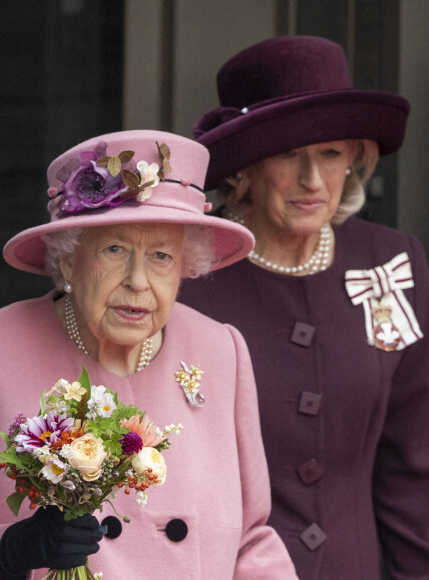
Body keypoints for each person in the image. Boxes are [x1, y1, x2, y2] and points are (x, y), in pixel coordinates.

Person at [0, 129, 299, 579]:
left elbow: (252, 543)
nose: (138, 281)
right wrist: (9, 550)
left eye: (161, 255)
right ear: (67, 258)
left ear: (185, 266)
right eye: (115, 249)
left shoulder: (221, 351)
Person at [179, 36, 429, 579]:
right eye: (289, 155)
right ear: (243, 169)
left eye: (331, 154)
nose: (313, 181)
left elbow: (415, 465)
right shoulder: (186, 280)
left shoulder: (391, 262)